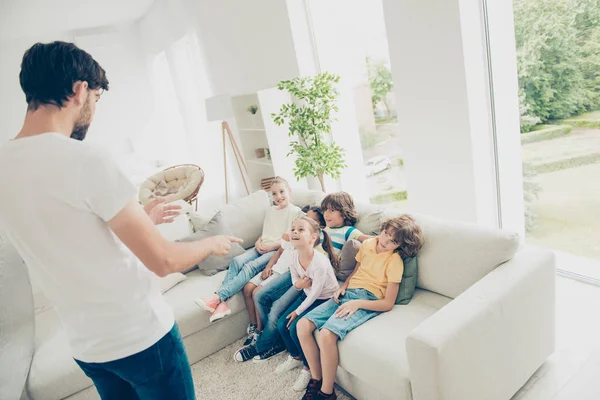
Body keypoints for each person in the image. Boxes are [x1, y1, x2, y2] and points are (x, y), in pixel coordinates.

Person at [0, 41, 241, 400]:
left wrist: (141, 219)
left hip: (88, 348)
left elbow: (64, 234)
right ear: (80, 91)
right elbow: (164, 261)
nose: (93, 111)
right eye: (96, 100)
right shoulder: (85, 160)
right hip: (141, 339)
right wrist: (212, 243)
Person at [297, 215, 424, 400]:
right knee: (302, 325)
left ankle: (326, 392)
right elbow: (358, 270)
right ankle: (316, 379)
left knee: (326, 334)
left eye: (393, 240)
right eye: (385, 233)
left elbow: (388, 304)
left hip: (367, 299)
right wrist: (344, 286)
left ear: (401, 245)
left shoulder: (394, 260)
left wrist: (357, 303)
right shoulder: (368, 244)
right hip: (348, 292)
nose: (385, 240)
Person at [195, 177, 302, 323]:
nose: (278, 197)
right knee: (237, 261)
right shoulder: (271, 210)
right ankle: (221, 303)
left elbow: (291, 241)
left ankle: (218, 298)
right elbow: (266, 232)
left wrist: (271, 246)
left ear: (289, 190)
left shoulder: (296, 212)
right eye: (274, 194)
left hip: (275, 251)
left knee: (249, 267)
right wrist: (258, 241)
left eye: (282, 192)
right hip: (262, 246)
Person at [241, 206, 325, 347]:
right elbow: (280, 251)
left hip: (288, 274)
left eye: (310, 220)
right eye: (306, 218)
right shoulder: (295, 235)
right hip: (277, 268)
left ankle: (262, 336)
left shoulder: (312, 243)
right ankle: (258, 328)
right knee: (250, 289)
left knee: (260, 295)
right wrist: (268, 266)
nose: (306, 222)